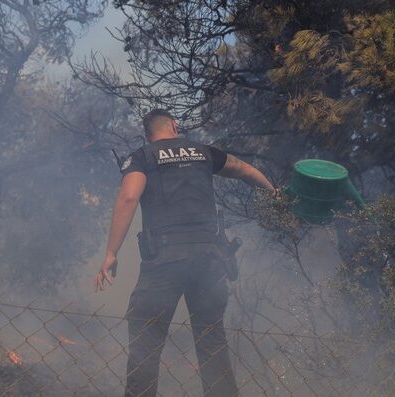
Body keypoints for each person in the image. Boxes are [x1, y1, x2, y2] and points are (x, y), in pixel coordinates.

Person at [95, 109, 276, 397]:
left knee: (146, 342)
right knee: (211, 342)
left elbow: (129, 196)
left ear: (147, 135)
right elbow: (244, 169)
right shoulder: (203, 152)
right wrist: (273, 192)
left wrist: (111, 253)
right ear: (175, 126)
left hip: (164, 262)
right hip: (209, 261)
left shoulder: (143, 156)